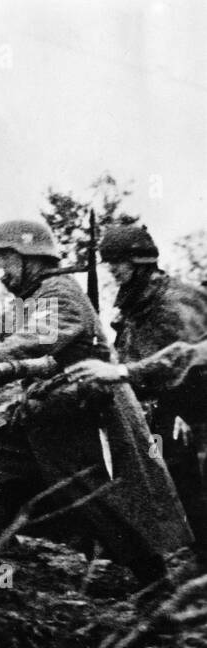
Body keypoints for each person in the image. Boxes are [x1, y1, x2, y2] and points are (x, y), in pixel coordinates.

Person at [0, 219, 190, 581]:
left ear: (30, 258)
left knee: (104, 502)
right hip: (53, 416)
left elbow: (29, 343)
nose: (1, 273)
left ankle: (155, 586)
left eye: (4, 261)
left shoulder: (59, 293)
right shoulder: (41, 294)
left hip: (89, 414)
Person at [65, 224, 207, 559]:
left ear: (140, 261)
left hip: (196, 405)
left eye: (118, 261)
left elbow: (185, 361)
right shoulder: (138, 301)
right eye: (108, 262)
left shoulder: (174, 302)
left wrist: (118, 372)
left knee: (194, 480)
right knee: (173, 478)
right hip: (173, 405)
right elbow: (134, 357)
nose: (112, 269)